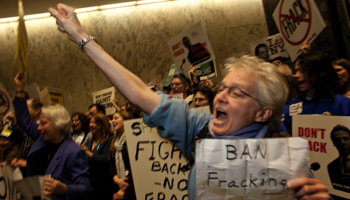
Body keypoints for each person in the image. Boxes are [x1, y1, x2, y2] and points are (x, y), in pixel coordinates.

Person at [49, 4, 330, 199]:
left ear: (262, 113)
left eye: (237, 92)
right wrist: (81, 37)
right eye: (223, 88)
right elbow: (138, 92)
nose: (220, 96)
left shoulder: (287, 161)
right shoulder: (199, 127)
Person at [13, 71, 92, 200]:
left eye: (43, 123)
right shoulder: (42, 138)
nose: (38, 127)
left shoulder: (74, 152)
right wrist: (20, 89)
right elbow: (23, 119)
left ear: (58, 124)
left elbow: (86, 190)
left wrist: (65, 189)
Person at [280, 53, 350, 135]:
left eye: (302, 71)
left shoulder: (342, 104)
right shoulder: (291, 106)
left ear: (319, 73)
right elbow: (283, 137)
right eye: (296, 70)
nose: (296, 75)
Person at [81, 113, 115, 200]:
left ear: (102, 125)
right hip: (91, 185)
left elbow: (105, 159)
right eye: (90, 122)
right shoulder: (89, 141)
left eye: (94, 123)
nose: (91, 125)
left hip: (104, 187)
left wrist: (87, 153)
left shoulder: (108, 140)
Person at [109, 111, 135, 200]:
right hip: (118, 185)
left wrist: (124, 187)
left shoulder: (133, 139)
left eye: (116, 118)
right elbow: (112, 164)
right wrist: (116, 179)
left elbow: (134, 165)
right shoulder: (115, 141)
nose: (112, 121)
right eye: (112, 118)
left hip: (133, 187)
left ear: (126, 120)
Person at [328, 124, 350, 193]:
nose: (342, 142)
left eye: (345, 138)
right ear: (333, 143)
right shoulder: (331, 166)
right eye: (338, 140)